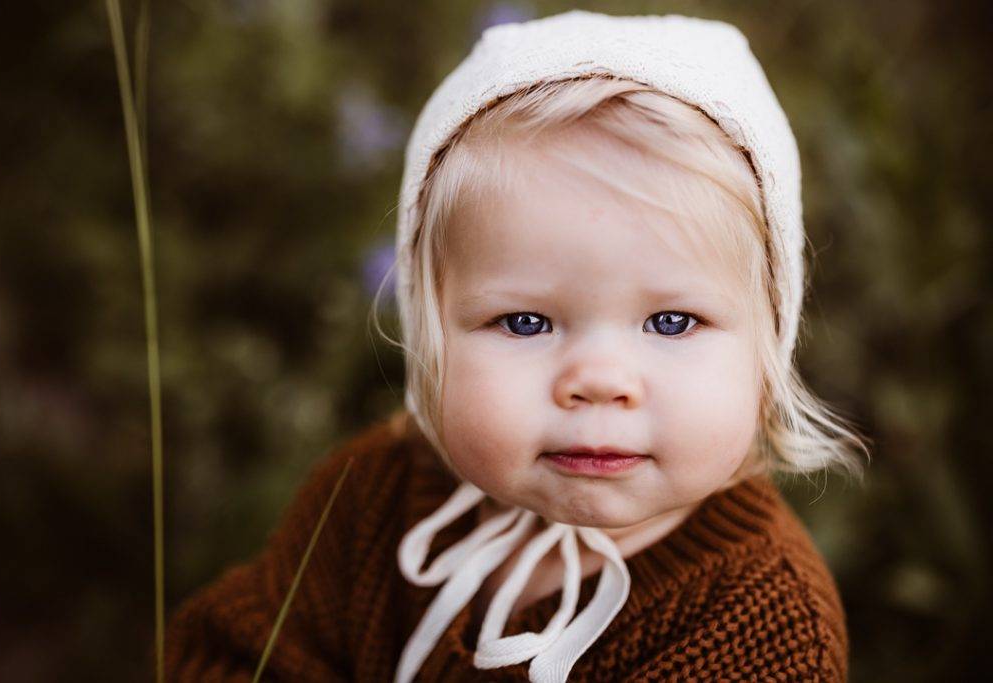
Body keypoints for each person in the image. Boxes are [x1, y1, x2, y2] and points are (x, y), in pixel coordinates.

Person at [164, 10, 870, 682]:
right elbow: (232, 656)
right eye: (527, 322)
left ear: (768, 346)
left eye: (672, 321)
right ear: (429, 331)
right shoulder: (373, 495)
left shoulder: (761, 628)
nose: (599, 380)